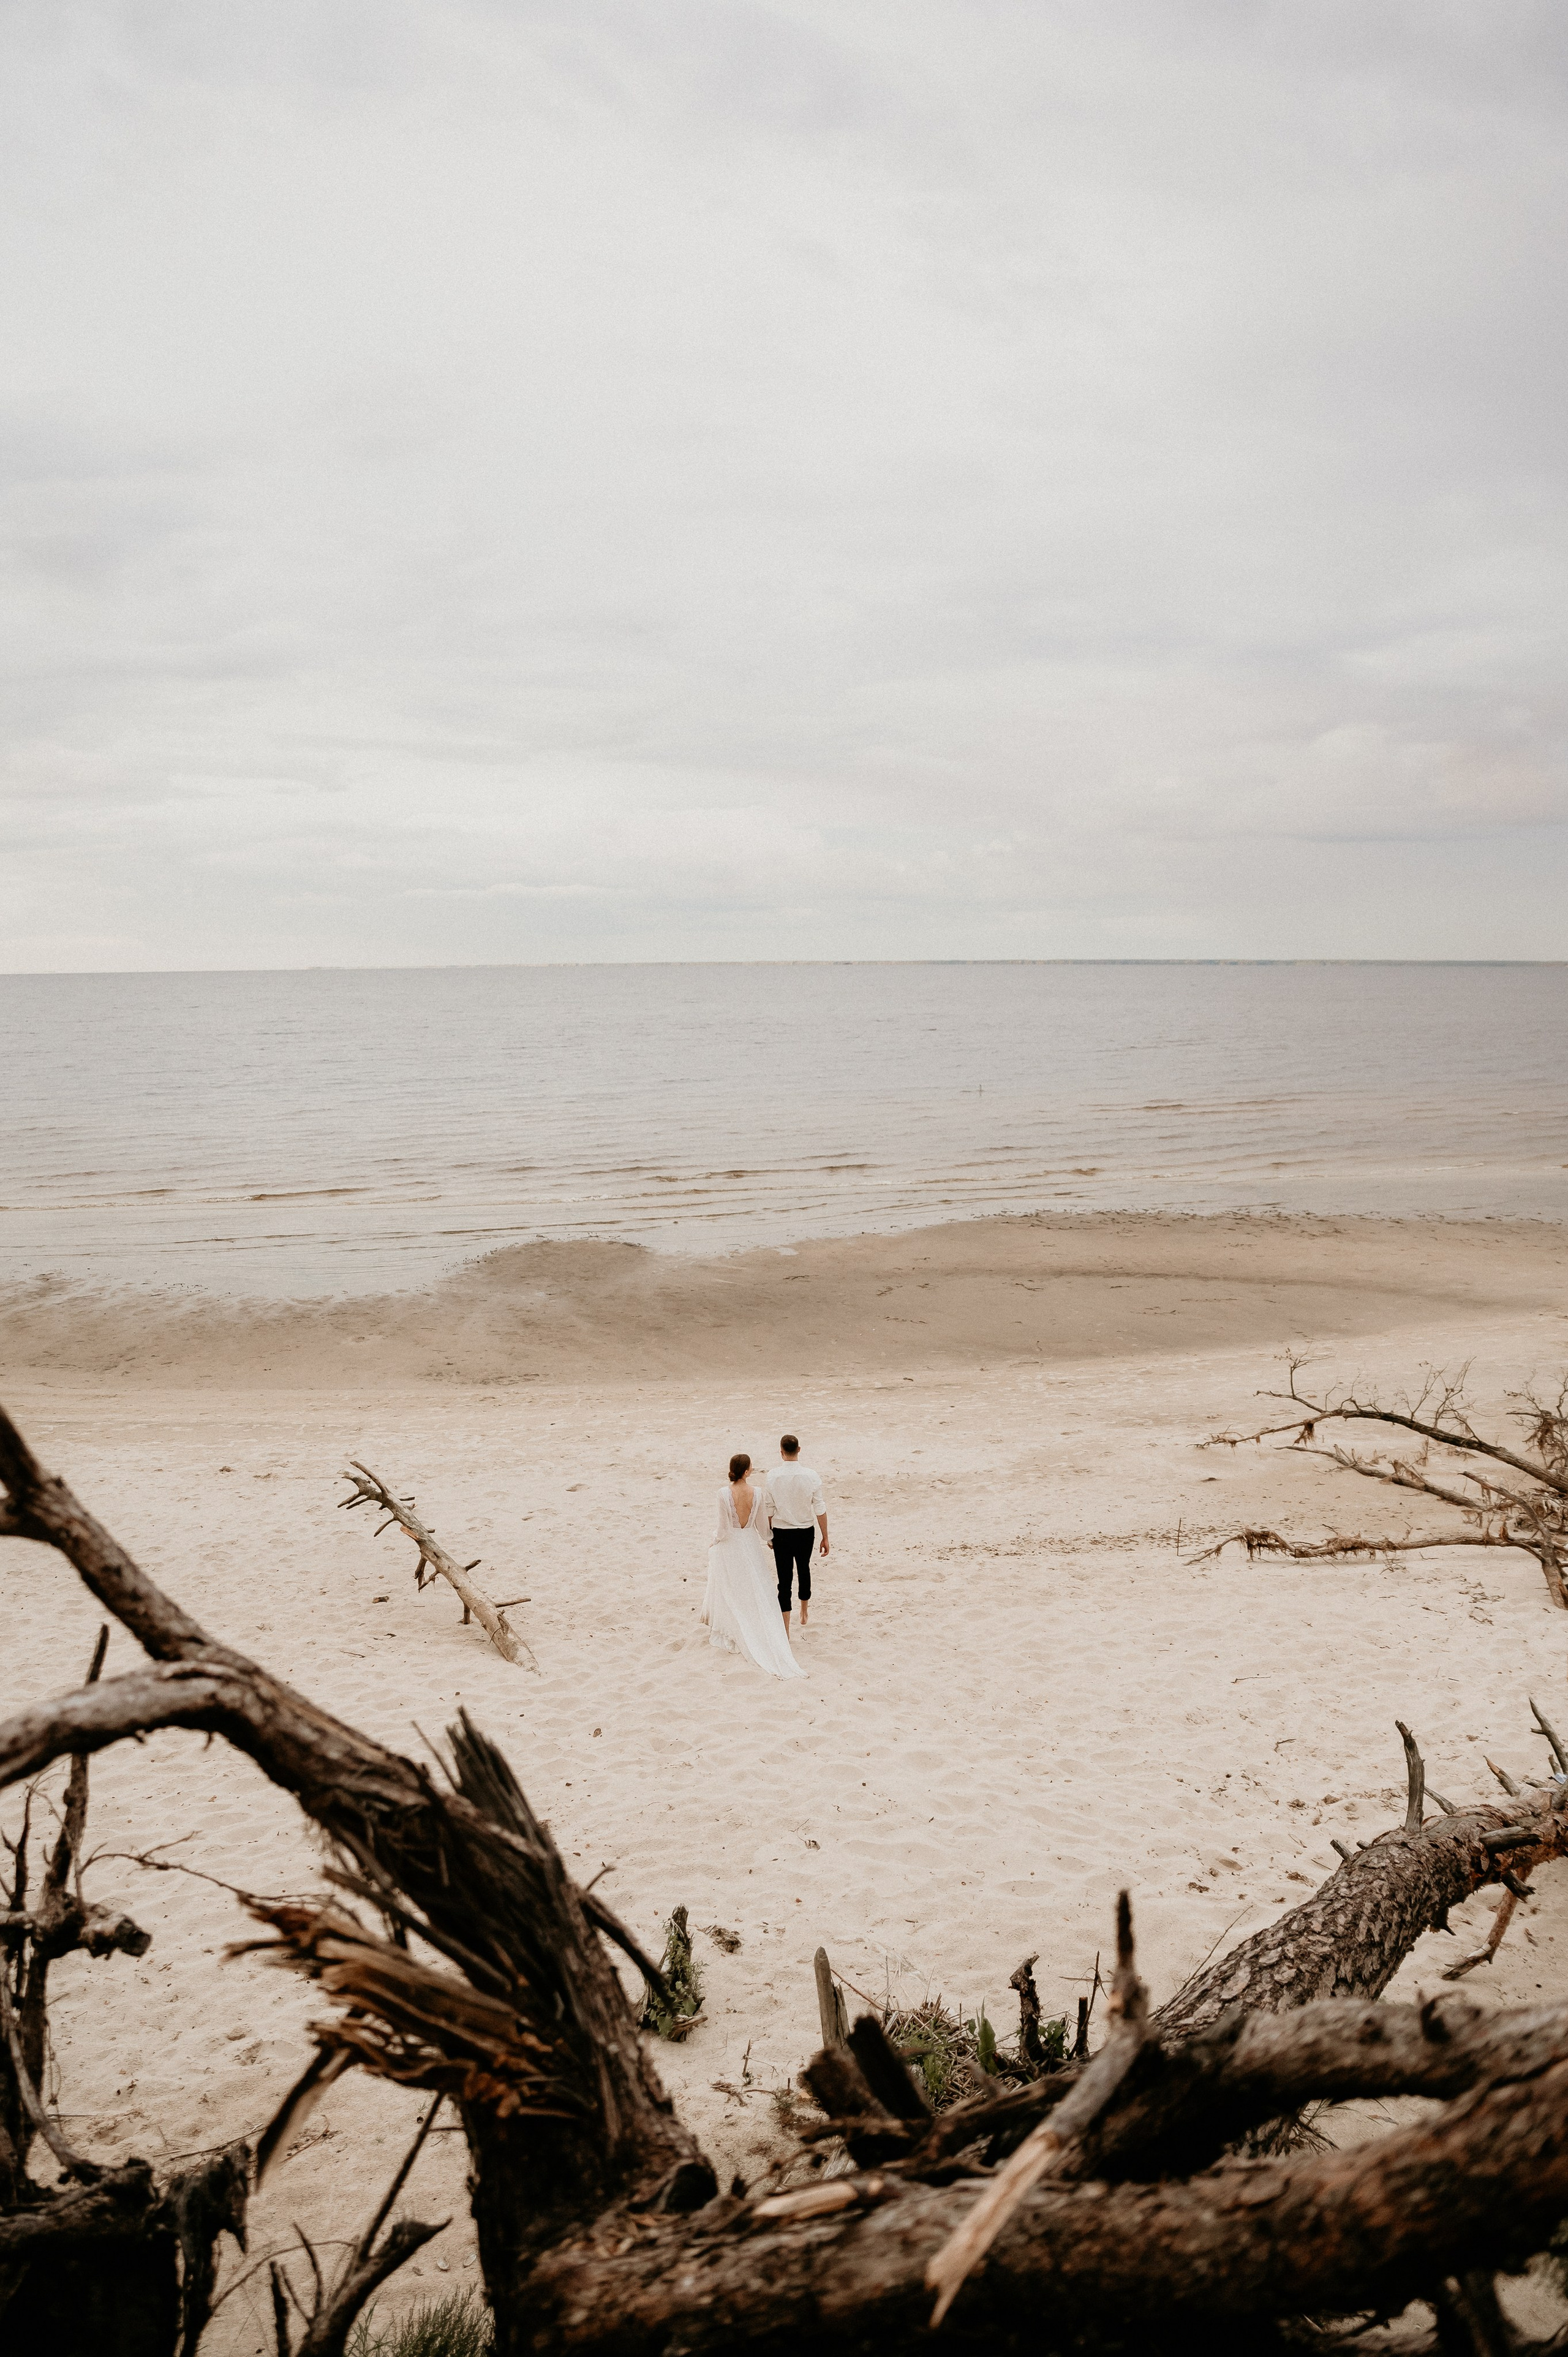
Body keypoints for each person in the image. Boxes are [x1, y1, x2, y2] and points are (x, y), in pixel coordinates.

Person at [701, 1452, 805, 1680]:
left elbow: (723, 1529)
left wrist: (714, 1540)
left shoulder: (723, 1493)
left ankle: (734, 1625)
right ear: (747, 1471)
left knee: (731, 1587)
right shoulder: (757, 1493)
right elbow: (762, 1527)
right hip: (749, 1544)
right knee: (753, 1586)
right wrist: (770, 1540)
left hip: (730, 1545)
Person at [764, 1434, 827, 1634]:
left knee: (784, 1580)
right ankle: (804, 1611)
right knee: (804, 1570)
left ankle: (786, 1630)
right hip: (805, 1532)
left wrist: (769, 1534)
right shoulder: (811, 1475)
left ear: (781, 1452)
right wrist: (825, 1536)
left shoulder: (772, 1476)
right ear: (799, 1450)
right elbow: (820, 1508)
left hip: (782, 1532)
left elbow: (769, 1509)